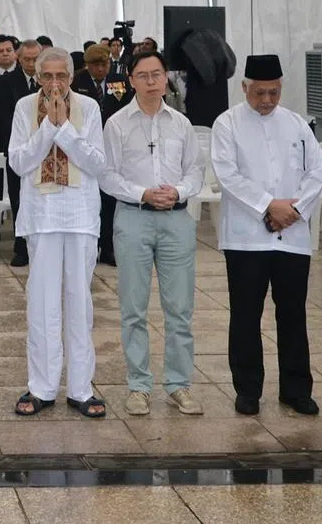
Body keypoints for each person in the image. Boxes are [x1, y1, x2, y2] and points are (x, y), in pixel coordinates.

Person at [210, 55, 322, 416]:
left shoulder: (295, 123)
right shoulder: (227, 123)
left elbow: (317, 169)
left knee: (293, 314)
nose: (266, 100)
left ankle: (296, 389)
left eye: (274, 92)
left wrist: (294, 211)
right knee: (246, 315)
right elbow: (227, 175)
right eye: (259, 93)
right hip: (246, 239)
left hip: (292, 236)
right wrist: (268, 206)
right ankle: (248, 390)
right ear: (244, 87)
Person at [100, 50, 206, 416]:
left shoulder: (181, 123)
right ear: (131, 80)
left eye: (156, 74)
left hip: (176, 219)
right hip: (134, 218)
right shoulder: (117, 124)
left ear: (166, 78)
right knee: (133, 308)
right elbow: (107, 175)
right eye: (142, 75)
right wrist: (142, 193)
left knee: (180, 308)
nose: (150, 81)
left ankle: (179, 384)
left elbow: (195, 170)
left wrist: (178, 191)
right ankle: (139, 385)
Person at [8, 47, 108, 419]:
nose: (54, 83)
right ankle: (42, 387)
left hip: (80, 215)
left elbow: (96, 163)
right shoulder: (24, 108)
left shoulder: (89, 107)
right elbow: (19, 162)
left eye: (61, 76)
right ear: (37, 77)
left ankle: (81, 388)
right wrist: (48, 127)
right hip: (42, 216)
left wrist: (64, 127)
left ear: (71, 77)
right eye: (47, 76)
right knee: (42, 305)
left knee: (79, 304)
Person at [73, 44, 134, 266]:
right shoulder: (77, 82)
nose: (101, 68)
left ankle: (108, 248)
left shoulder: (120, 81)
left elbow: (128, 109)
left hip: (112, 145)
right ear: (87, 65)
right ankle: (89, 246)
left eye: (105, 64)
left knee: (109, 200)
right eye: (97, 65)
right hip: (86, 148)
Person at [0, 35, 30, 266]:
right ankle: (21, 247)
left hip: (44, 150)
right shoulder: (5, 82)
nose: (31, 63)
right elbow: (1, 117)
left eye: (35, 59)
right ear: (20, 58)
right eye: (27, 59)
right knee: (18, 199)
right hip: (15, 148)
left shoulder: (46, 81)